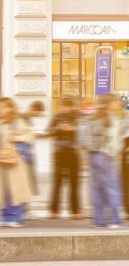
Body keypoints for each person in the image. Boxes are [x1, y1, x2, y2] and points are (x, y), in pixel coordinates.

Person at [83, 94, 124, 229]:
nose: (118, 104)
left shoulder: (92, 118)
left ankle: (98, 221)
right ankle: (115, 220)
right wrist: (115, 153)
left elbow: (84, 138)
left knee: (97, 190)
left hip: (94, 156)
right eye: (116, 102)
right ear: (110, 104)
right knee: (112, 189)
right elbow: (115, 143)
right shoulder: (112, 119)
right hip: (107, 156)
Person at [0, 97, 34, 228]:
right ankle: (4, 216)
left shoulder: (18, 122)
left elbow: (30, 136)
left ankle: (15, 217)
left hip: (15, 160)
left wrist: (18, 137)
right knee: (3, 189)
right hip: (1, 160)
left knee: (15, 189)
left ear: (10, 108)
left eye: (2, 107)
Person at [47, 97, 81, 220]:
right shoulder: (56, 117)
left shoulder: (77, 117)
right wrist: (58, 129)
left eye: (68, 106)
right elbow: (49, 131)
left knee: (74, 183)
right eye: (64, 106)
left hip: (73, 153)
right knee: (57, 183)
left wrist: (73, 129)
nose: (66, 108)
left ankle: (75, 211)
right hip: (59, 153)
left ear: (72, 106)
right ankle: (54, 211)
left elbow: (83, 133)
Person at [20, 100, 45, 196]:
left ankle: (28, 196)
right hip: (23, 152)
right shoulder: (21, 118)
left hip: (29, 151)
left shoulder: (29, 120)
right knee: (24, 177)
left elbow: (28, 134)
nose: (38, 115)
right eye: (38, 113)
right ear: (33, 109)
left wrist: (36, 135)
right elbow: (20, 135)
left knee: (30, 176)